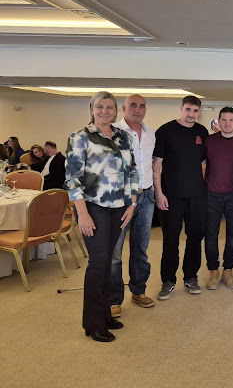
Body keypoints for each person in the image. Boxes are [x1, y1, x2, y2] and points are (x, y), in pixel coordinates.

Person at [65, 91, 138, 342]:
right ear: (92, 109)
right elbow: (72, 179)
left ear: (116, 110)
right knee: (98, 263)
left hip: (119, 207)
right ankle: (93, 323)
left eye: (109, 107)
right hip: (93, 208)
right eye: (100, 107)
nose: (104, 111)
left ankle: (105, 314)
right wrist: (82, 213)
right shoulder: (80, 137)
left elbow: (132, 171)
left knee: (107, 262)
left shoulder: (123, 137)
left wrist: (132, 203)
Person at [154, 95, 209, 300]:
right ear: (181, 109)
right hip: (171, 196)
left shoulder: (202, 132)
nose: (191, 114)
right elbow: (156, 165)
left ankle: (191, 277)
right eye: (188, 110)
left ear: (199, 112)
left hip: (196, 196)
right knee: (171, 239)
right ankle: (168, 280)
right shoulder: (165, 131)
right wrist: (159, 193)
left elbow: (203, 163)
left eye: (195, 111)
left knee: (195, 237)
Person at [109, 94, 157, 317]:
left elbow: (153, 164)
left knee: (140, 248)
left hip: (146, 196)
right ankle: (113, 299)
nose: (138, 109)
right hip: (121, 200)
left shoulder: (151, 134)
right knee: (115, 252)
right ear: (124, 108)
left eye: (142, 106)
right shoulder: (113, 132)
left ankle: (138, 291)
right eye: (133, 105)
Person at [204, 106, 233, 290]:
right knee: (211, 236)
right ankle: (213, 271)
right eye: (224, 120)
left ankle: (228, 270)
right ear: (218, 121)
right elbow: (200, 164)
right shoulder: (210, 141)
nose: (227, 123)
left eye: (231, 120)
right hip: (212, 194)